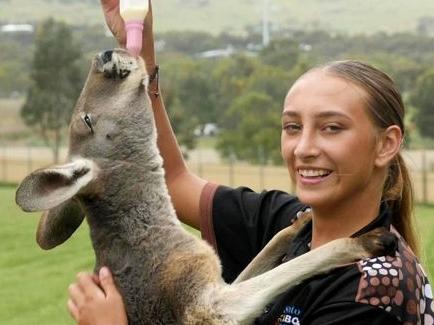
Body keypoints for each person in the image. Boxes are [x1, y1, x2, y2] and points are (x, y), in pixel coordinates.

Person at [67, 1, 434, 324]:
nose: (304, 147)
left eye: (332, 128)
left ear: (386, 144)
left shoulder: (374, 293)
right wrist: (138, 54)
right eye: (292, 126)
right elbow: (173, 182)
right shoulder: (291, 221)